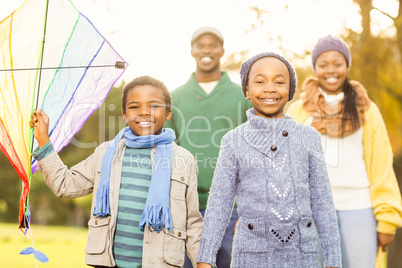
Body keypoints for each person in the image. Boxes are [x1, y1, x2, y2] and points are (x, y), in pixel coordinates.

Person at [30, 76, 203, 268]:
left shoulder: (183, 160)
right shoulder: (105, 153)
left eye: (154, 106)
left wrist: (203, 263)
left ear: (168, 113)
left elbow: (193, 222)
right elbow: (65, 185)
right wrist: (43, 139)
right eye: (134, 107)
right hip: (107, 263)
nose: (144, 112)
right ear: (124, 114)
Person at [196, 52, 341, 268]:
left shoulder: (308, 137)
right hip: (251, 257)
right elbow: (219, 202)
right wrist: (205, 258)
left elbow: (322, 202)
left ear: (290, 91)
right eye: (260, 81)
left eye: (279, 81)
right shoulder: (233, 141)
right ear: (246, 90)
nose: (270, 88)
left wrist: (333, 258)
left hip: (302, 257)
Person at [287, 35, 402, 268]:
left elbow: (381, 166)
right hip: (311, 210)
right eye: (323, 64)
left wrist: (387, 220)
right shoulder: (299, 111)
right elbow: (286, 164)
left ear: (347, 66)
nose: (331, 70)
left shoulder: (367, 109)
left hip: (358, 207)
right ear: (315, 68)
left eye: (337, 64)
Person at [164, 26, 252, 267]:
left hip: (233, 208)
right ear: (192, 50)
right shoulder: (174, 97)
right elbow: (166, 150)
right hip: (185, 207)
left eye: (212, 45)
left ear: (222, 51)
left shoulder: (242, 95)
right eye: (200, 45)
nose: (206, 50)